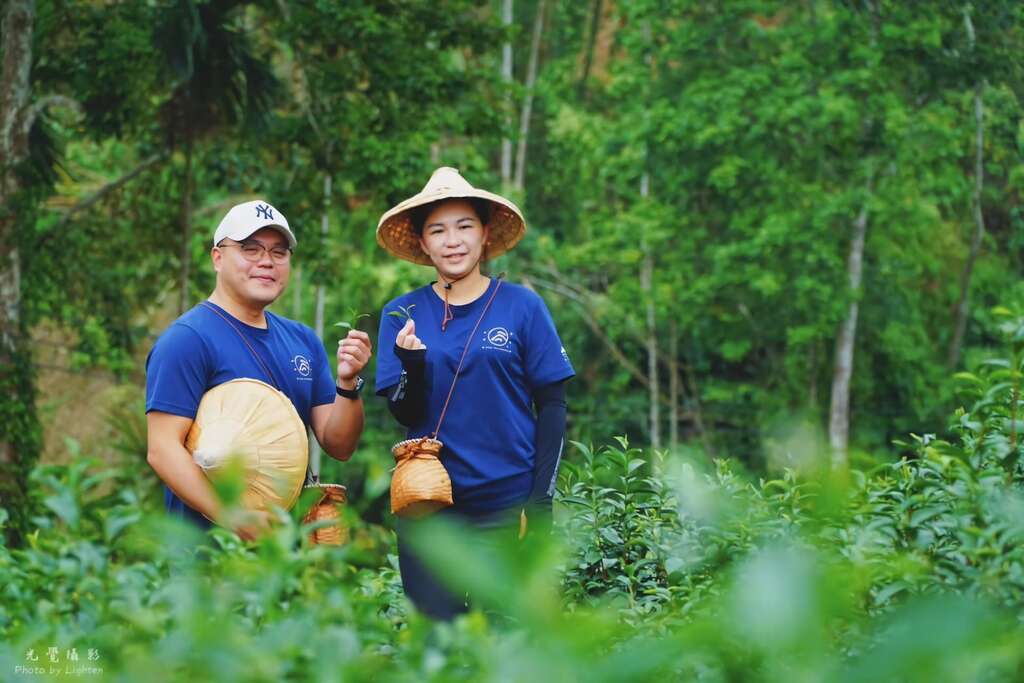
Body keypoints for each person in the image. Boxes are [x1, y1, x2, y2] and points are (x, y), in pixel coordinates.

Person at [375, 167, 575, 619]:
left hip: (506, 507)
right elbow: (405, 412)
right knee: (437, 643)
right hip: (428, 510)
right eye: (437, 230)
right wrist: (412, 364)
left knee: (508, 641)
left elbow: (552, 405)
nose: (453, 241)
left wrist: (540, 502)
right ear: (423, 243)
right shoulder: (402, 313)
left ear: (484, 234)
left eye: (464, 226)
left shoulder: (523, 307)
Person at [146, 200, 371, 540]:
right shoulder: (187, 340)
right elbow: (162, 450)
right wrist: (234, 518)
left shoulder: (303, 340)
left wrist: (348, 383)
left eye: (279, 252)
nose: (266, 261)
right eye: (250, 249)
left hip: (284, 554)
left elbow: (339, 445)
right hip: (208, 554)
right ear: (217, 258)